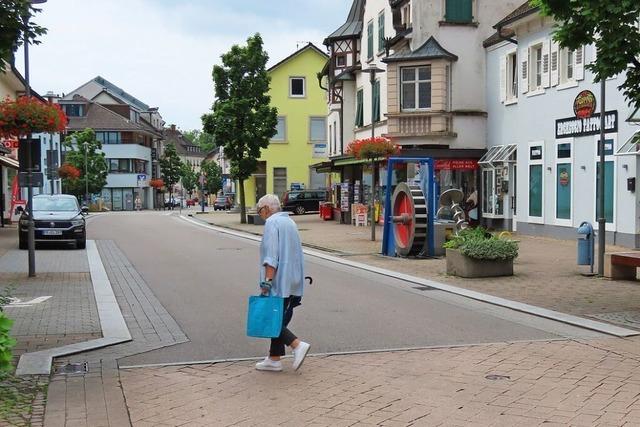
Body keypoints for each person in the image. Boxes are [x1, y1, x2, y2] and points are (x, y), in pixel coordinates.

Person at [254, 194, 310, 372]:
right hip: (294, 278)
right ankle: (274, 358)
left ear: (266, 209)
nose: (259, 214)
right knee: (280, 316)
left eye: (259, 210)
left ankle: (297, 345)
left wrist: (267, 282)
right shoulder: (289, 222)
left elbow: (272, 256)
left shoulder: (272, 223)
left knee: (271, 318)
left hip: (279, 280)